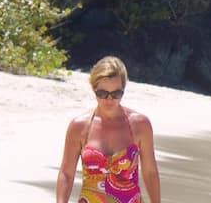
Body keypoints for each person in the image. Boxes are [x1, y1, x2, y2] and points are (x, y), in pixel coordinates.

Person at [54, 56, 160, 203]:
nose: (109, 100)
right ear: (93, 89)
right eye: (102, 94)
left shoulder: (140, 125)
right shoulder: (79, 126)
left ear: (123, 90)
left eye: (116, 94)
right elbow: (66, 173)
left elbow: (150, 172)